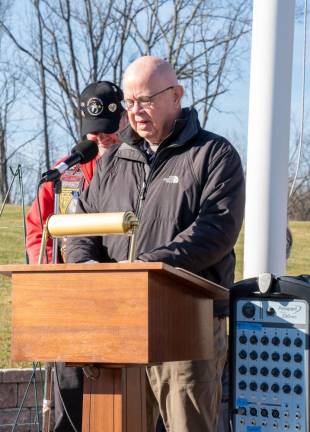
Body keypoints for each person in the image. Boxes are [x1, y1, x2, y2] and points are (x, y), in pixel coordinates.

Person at [66, 56, 245, 432]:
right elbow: (82, 226)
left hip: (186, 329)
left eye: (145, 100)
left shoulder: (214, 155)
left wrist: (141, 270)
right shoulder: (114, 160)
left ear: (176, 95)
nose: (135, 112)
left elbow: (213, 234)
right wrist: (86, 269)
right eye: (129, 103)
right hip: (117, 326)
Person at [25, 80, 125, 432]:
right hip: (73, 304)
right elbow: (37, 230)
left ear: (125, 121)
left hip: (122, 301)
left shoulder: (138, 168)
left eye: (110, 133)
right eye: (94, 134)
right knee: (72, 403)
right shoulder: (63, 171)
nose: (102, 141)